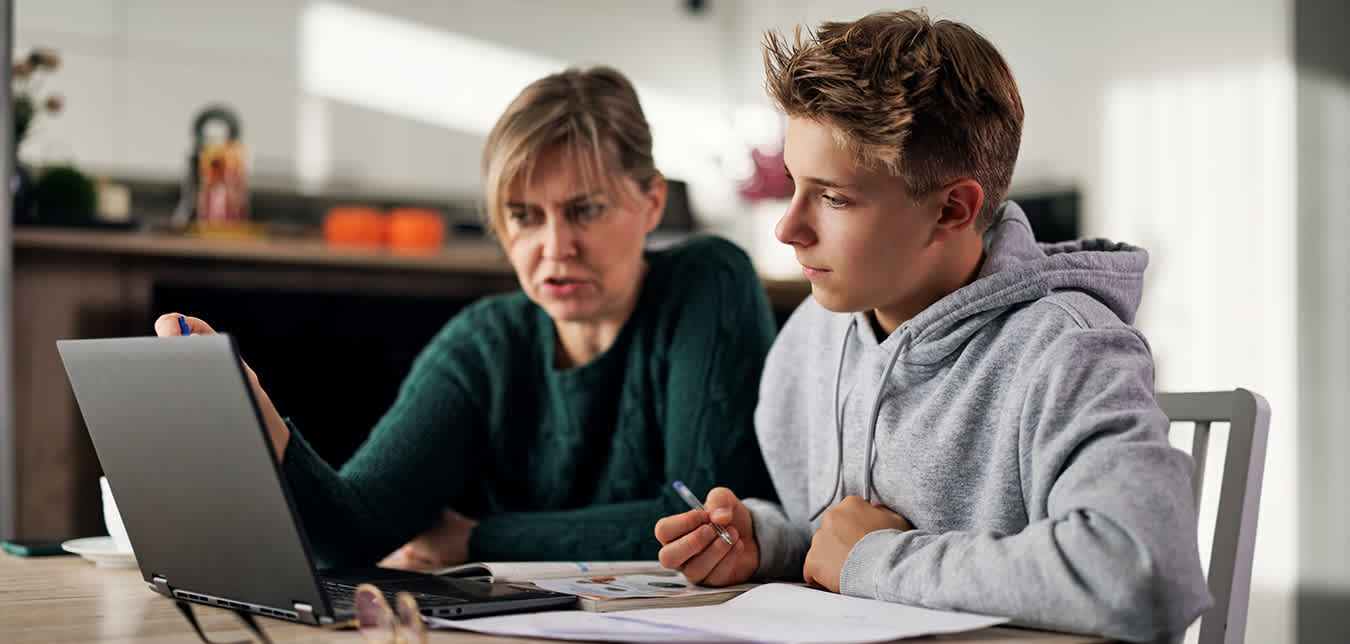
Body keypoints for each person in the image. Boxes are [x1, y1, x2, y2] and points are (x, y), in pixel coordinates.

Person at [653, 11, 1210, 642]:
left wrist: (874, 561)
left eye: (834, 197)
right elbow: (838, 539)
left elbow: (1145, 574)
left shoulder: (1071, 351)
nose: (788, 228)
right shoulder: (813, 333)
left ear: (952, 209)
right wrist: (769, 542)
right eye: (793, 184)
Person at [157, 66, 778, 569]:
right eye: (524, 216)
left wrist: (478, 539)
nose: (555, 245)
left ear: (652, 202)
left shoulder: (708, 281)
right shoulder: (484, 343)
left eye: (584, 210)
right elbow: (349, 535)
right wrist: (258, 419)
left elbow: (705, 521)